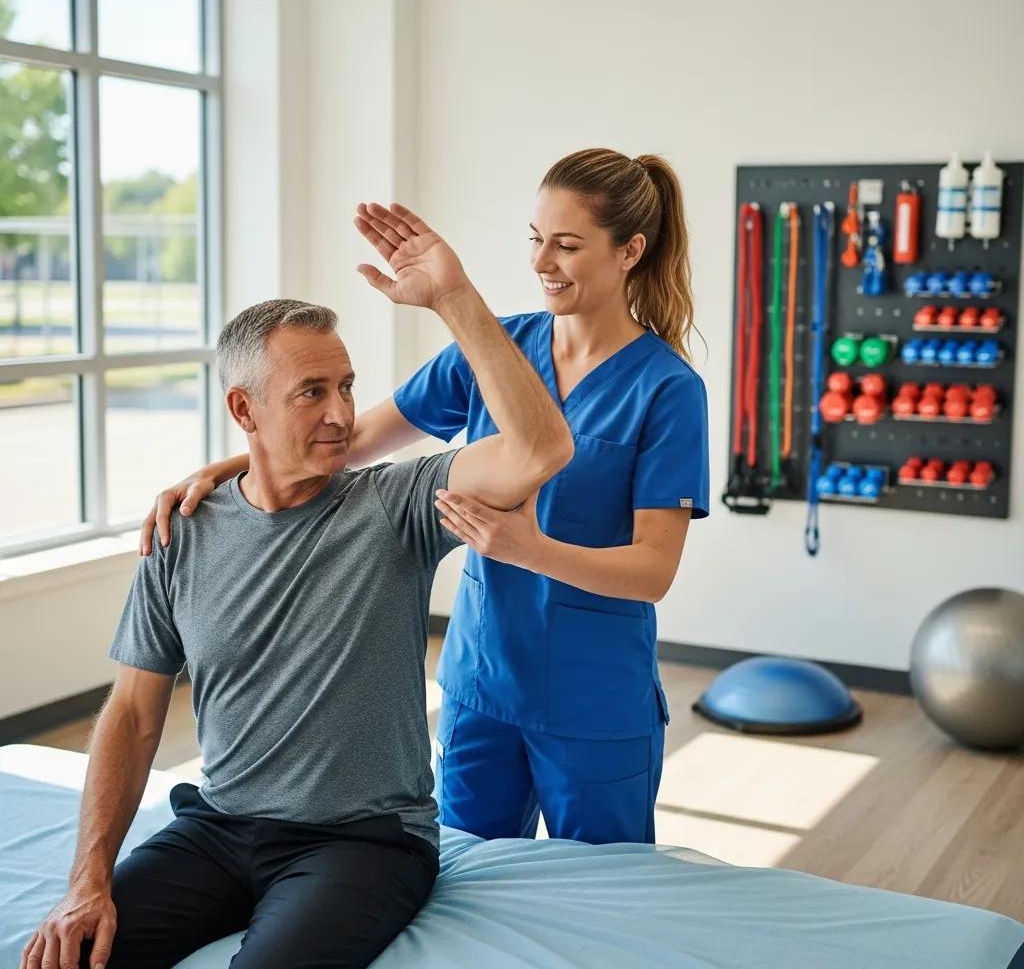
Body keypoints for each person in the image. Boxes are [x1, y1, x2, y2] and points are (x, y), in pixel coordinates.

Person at [19, 203, 573, 969]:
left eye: (347, 386)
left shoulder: (394, 505)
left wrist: (453, 297)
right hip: (217, 827)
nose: (343, 413)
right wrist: (88, 881)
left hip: (365, 843)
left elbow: (540, 449)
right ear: (243, 408)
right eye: (313, 392)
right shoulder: (183, 532)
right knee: (70, 957)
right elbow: (135, 716)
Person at [141, 148, 710, 847]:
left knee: (599, 899)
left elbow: (653, 571)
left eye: (567, 245)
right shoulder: (495, 351)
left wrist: (530, 550)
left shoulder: (668, 389)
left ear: (630, 251)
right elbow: (344, 443)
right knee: (464, 886)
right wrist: (221, 470)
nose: (541, 263)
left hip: (594, 701)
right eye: (535, 240)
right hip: (482, 687)